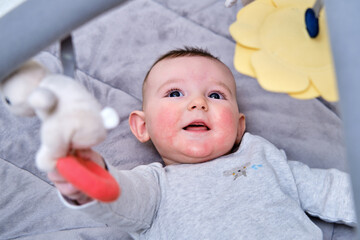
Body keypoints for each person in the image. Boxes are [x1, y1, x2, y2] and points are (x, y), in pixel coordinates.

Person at [48, 47, 356, 239]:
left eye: (216, 95)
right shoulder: (155, 186)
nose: (198, 103)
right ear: (142, 126)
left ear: (238, 127)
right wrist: (89, 177)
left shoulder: (262, 154)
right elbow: (121, 196)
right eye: (175, 93)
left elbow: (329, 189)